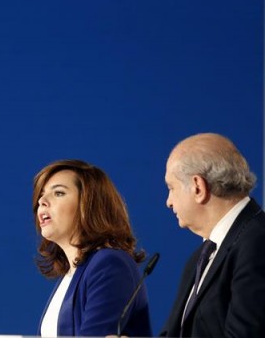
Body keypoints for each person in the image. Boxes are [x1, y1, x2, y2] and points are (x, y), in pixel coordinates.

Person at [160, 133, 265, 337]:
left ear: (198, 187)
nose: (168, 202)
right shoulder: (199, 258)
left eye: (171, 188)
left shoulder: (257, 243)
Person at [33, 159, 152, 337]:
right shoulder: (71, 275)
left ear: (88, 204)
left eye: (58, 193)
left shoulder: (109, 264)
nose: (42, 201)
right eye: (41, 194)